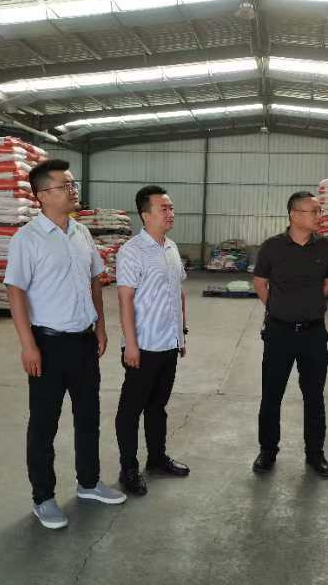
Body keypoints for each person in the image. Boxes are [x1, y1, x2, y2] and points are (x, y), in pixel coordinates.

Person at [4, 159, 126, 530]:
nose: (73, 191)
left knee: (88, 417)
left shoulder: (81, 232)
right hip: (48, 344)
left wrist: (100, 327)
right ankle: (43, 498)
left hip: (84, 341)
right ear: (42, 195)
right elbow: (15, 291)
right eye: (65, 186)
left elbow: (94, 282)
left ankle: (89, 484)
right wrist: (28, 346)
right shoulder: (27, 239)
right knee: (44, 424)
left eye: (73, 185)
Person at [252, 191, 328, 478]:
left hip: (314, 334)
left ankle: (315, 454)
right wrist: (280, 308)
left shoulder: (325, 247)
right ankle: (267, 451)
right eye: (313, 211)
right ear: (294, 214)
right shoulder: (272, 247)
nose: (318, 216)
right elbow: (260, 283)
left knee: (314, 395)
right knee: (272, 394)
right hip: (279, 333)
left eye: (318, 211)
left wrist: (306, 306)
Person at [115, 185, 189, 496]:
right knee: (131, 411)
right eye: (163, 208)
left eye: (171, 208)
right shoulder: (132, 251)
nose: (170, 213)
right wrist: (130, 345)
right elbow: (125, 300)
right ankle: (128, 469)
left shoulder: (171, 247)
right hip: (143, 346)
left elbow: (179, 292)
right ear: (145, 215)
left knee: (158, 406)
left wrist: (181, 333)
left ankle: (157, 459)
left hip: (168, 344)